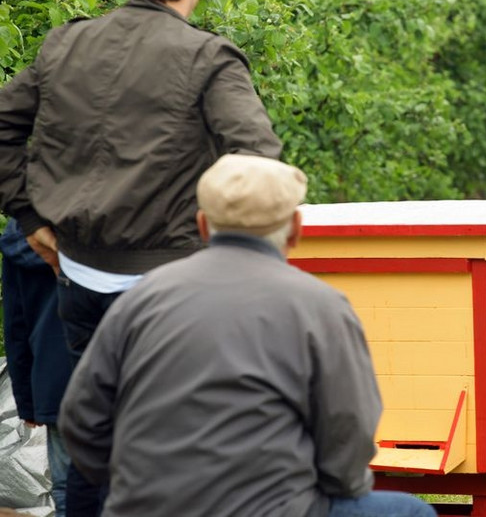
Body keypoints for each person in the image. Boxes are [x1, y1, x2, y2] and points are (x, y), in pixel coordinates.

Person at [0, 0, 281, 515]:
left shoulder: (65, 44)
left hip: (79, 279)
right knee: (187, 454)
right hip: (173, 290)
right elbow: (258, 157)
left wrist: (33, 221)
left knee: (91, 449)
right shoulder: (209, 58)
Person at [58, 154, 437, 517]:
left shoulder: (143, 298)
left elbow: (81, 419)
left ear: (203, 225)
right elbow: (348, 432)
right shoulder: (321, 306)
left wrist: (132, 487)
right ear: (296, 230)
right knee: (412, 511)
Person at [1, 218, 70, 517]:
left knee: (70, 488)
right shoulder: (125, 213)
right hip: (133, 379)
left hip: (61, 383)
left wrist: (28, 402)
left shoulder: (23, 233)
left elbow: (17, 325)